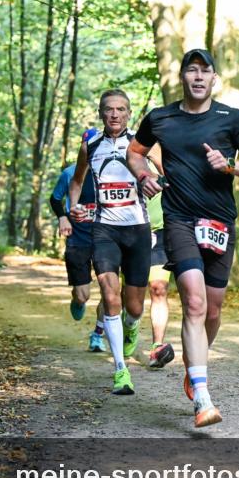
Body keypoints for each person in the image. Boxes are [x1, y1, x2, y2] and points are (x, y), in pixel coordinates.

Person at [127, 48, 239, 427]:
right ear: (183, 78)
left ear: (214, 79)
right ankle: (203, 398)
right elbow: (134, 153)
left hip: (221, 222)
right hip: (179, 219)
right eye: (192, 71)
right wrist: (143, 176)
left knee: (213, 310)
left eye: (205, 71)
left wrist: (231, 165)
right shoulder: (160, 118)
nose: (199, 77)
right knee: (194, 301)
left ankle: (194, 366)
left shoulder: (232, 119)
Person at [69, 89, 150, 396]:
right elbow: (77, 180)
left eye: (121, 109)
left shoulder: (141, 145)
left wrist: (156, 180)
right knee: (109, 294)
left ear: (129, 114)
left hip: (138, 230)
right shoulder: (91, 144)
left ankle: (131, 327)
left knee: (134, 306)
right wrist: (74, 206)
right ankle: (121, 370)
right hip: (104, 230)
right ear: (101, 113)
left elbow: (167, 172)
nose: (115, 114)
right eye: (109, 109)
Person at [49, 127, 106, 353]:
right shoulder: (70, 173)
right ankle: (77, 299)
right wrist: (63, 218)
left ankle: (98, 334)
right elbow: (55, 199)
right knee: (84, 295)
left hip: (105, 239)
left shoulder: (111, 173)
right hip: (78, 240)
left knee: (109, 291)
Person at [145, 151, 175, 370]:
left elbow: (180, 180)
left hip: (160, 230)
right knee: (130, 296)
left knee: (158, 288)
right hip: (130, 229)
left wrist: (158, 159)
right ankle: (130, 323)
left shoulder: (168, 155)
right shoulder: (130, 152)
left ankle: (157, 345)